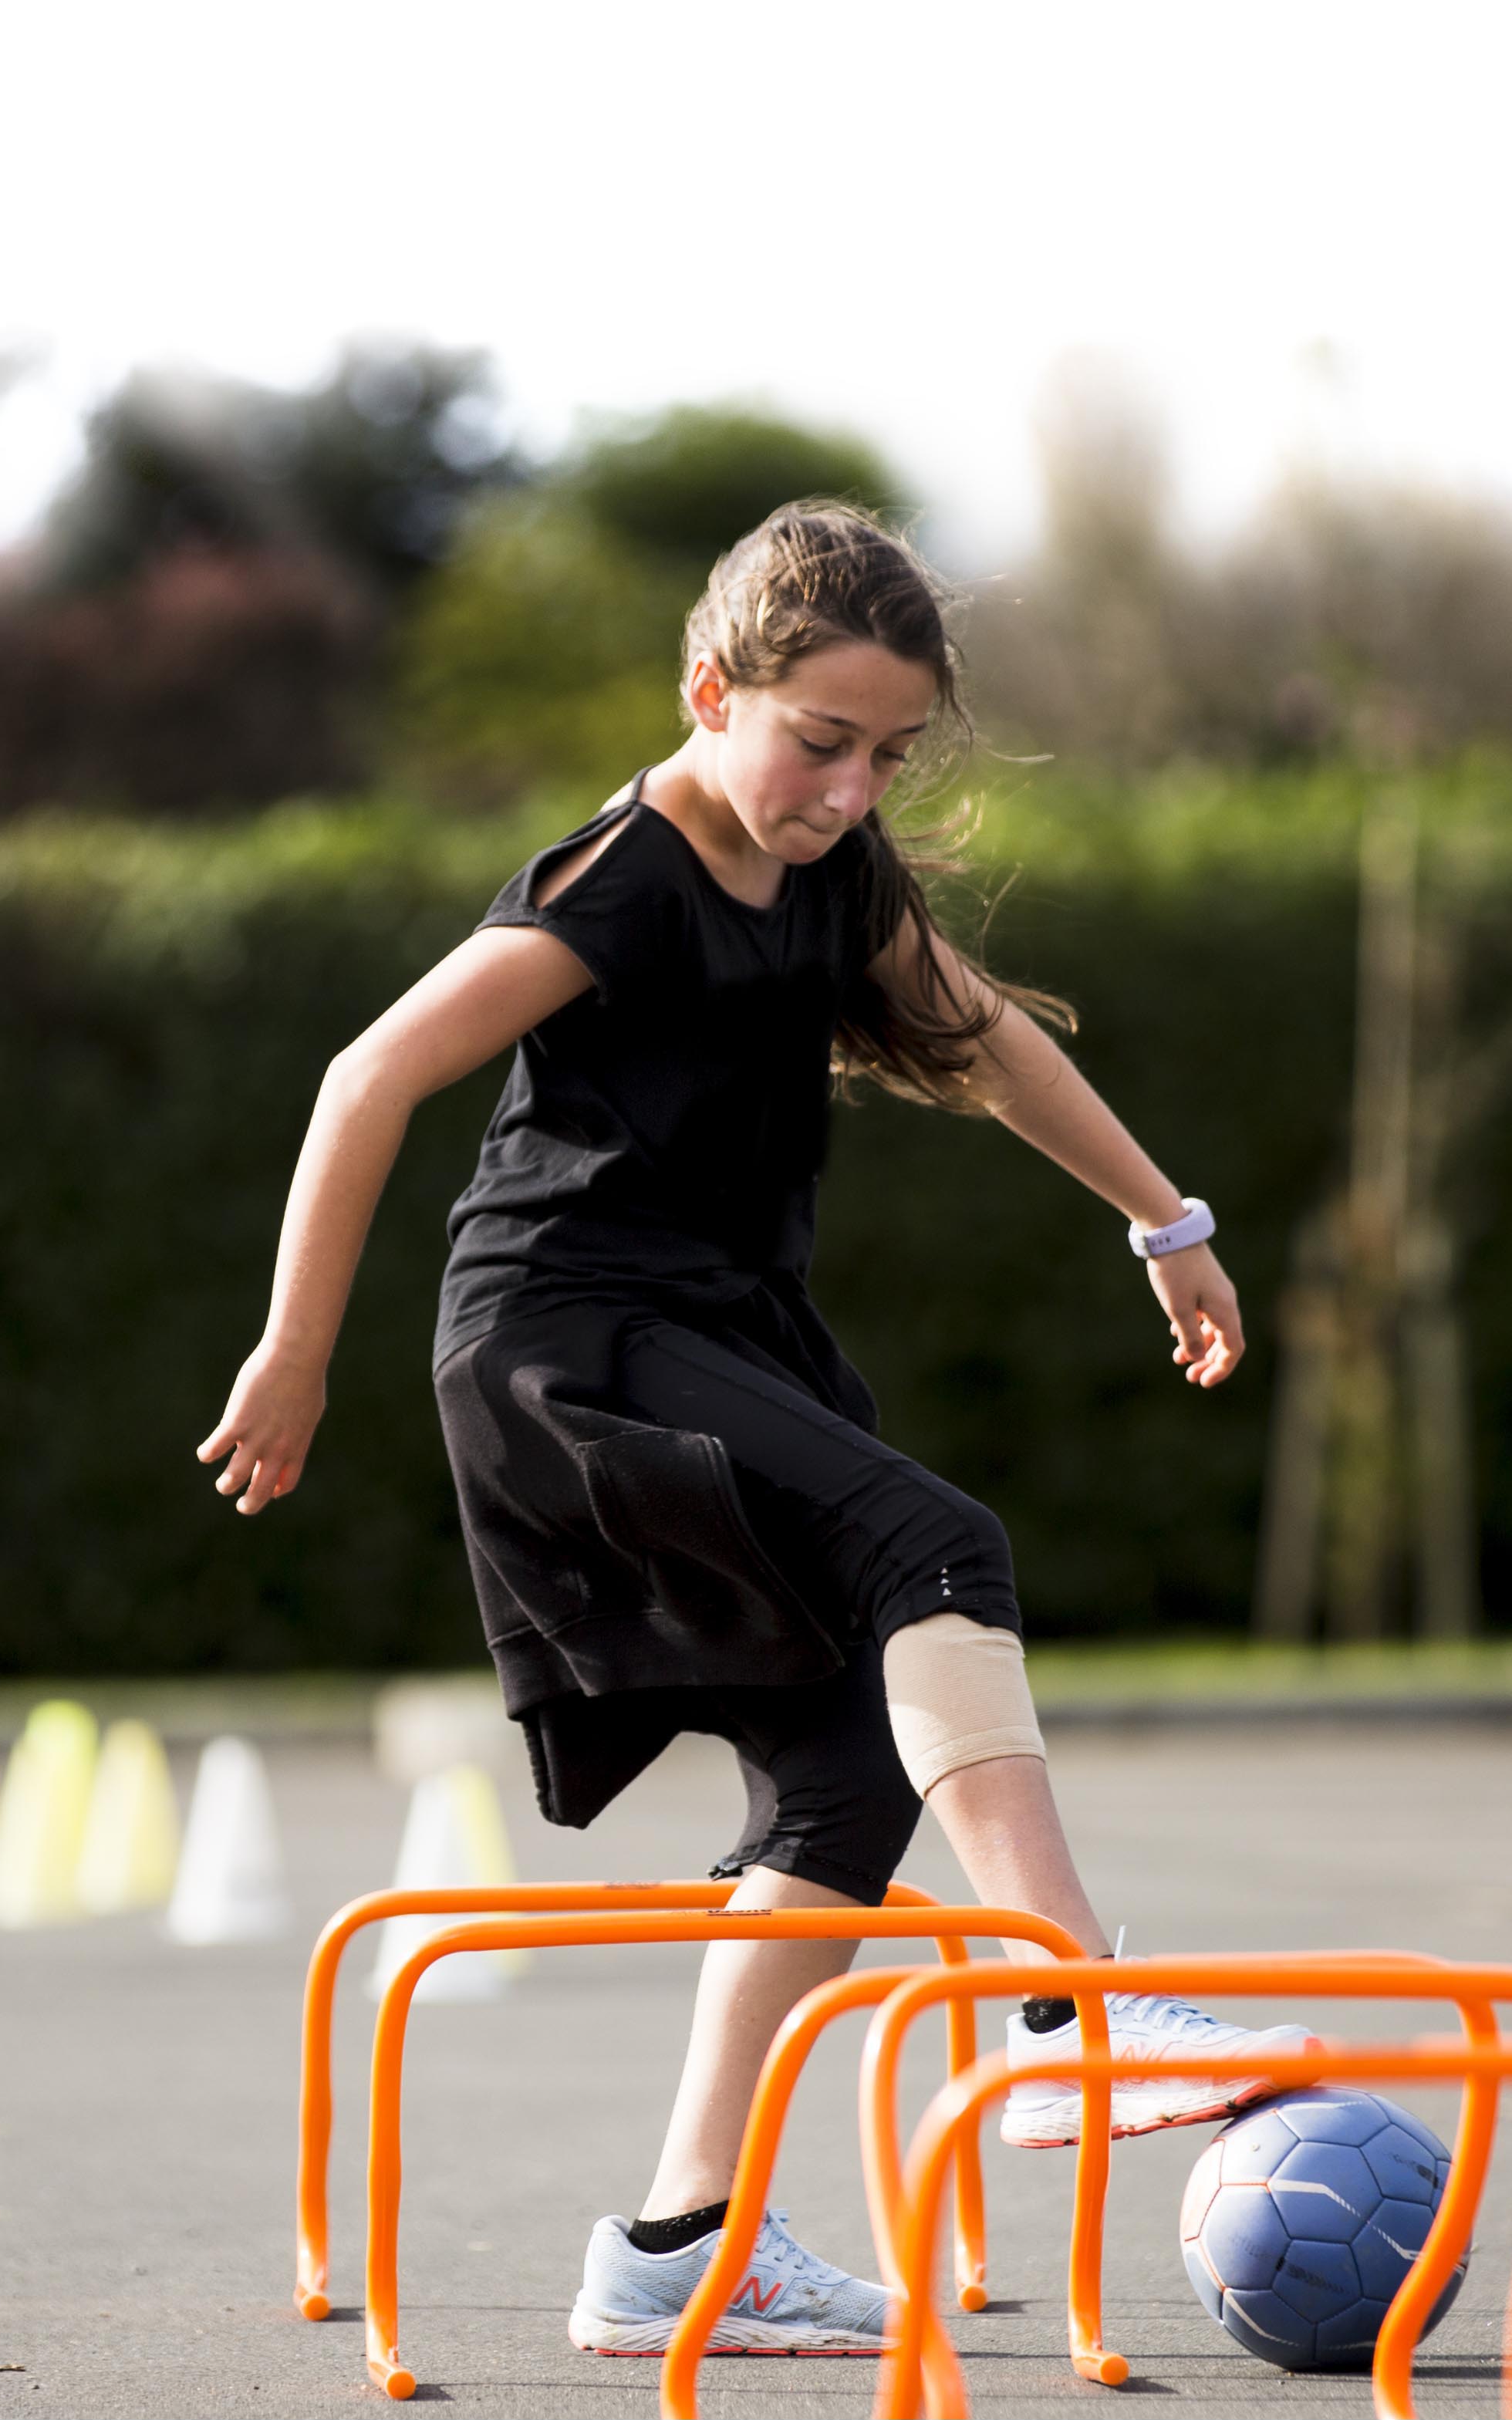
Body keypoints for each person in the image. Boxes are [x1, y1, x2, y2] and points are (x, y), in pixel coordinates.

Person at [196, 501, 1309, 2357]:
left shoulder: (841, 877)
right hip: (567, 1340)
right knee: (934, 1542)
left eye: (889, 756)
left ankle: (676, 2248)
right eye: (818, 742)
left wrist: (1167, 1221)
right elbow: (370, 1067)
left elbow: (981, 1038)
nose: (850, 790)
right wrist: (293, 1347)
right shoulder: (623, 877)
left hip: (716, 1341)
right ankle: (1066, 2015)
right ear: (713, 692)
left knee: (850, 1776)